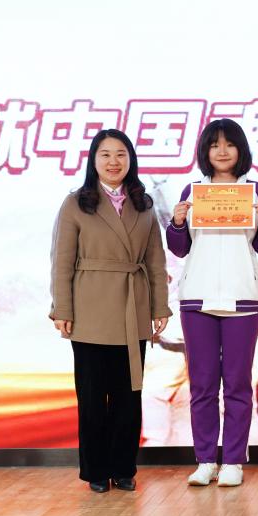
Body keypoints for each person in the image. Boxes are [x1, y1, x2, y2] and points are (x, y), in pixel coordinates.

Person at [49, 129, 171, 493]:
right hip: (89, 310)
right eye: (105, 154)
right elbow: (61, 261)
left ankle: (124, 468)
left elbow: (155, 260)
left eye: (121, 154)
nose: (113, 161)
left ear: (131, 159)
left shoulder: (143, 203)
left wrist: (160, 306)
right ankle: (96, 471)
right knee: (91, 398)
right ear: (93, 160)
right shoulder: (76, 203)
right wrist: (62, 308)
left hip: (133, 309)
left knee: (128, 396)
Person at [166, 118, 258, 486]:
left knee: (236, 383)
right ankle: (205, 460)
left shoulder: (255, 190)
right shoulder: (193, 190)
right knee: (202, 384)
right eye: (214, 144)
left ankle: (233, 460)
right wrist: (178, 222)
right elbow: (179, 248)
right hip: (197, 298)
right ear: (205, 150)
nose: (221, 151)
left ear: (240, 150)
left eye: (229, 144)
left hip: (242, 297)